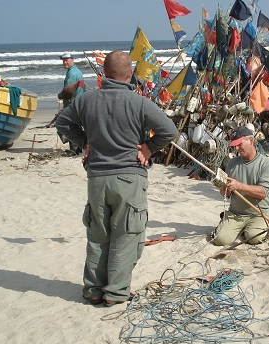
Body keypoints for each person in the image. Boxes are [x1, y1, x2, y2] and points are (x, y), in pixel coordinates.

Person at [55, 50, 178, 307]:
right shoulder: (139, 102)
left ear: (104, 74)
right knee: (126, 236)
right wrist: (148, 148)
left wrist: (85, 142)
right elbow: (169, 130)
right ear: (130, 74)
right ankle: (116, 292)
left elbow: (64, 124)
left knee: (98, 235)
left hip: (97, 178)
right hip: (128, 178)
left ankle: (94, 290)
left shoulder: (86, 100)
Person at [211, 126, 269, 246]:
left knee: (254, 238)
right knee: (220, 240)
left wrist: (239, 186)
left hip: (259, 213)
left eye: (239, 144)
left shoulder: (267, 164)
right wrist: (225, 189)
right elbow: (224, 193)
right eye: (234, 145)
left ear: (251, 141)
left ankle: (259, 226)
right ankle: (238, 228)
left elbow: (263, 193)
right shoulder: (232, 162)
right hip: (236, 213)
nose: (236, 148)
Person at [58, 52, 85, 154]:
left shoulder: (72, 73)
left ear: (72, 60)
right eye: (63, 61)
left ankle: (74, 149)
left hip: (72, 103)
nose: (65, 62)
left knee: (64, 125)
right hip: (76, 102)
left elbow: (68, 90)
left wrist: (59, 96)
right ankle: (76, 148)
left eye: (67, 60)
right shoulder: (75, 71)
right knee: (74, 125)